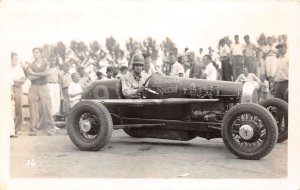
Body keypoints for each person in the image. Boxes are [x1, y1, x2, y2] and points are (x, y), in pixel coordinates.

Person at [26, 48, 56, 136]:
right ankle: (33, 129)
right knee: (33, 108)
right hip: (33, 87)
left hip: (44, 86)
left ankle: (51, 128)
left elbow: (47, 73)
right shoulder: (30, 65)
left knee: (47, 107)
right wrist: (42, 75)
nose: (35, 54)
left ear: (40, 54)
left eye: (36, 52)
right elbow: (30, 78)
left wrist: (34, 73)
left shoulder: (45, 63)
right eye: (33, 52)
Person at [11, 52, 26, 137]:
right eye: (14, 59)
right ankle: (10, 129)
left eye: (17, 59)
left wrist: (12, 81)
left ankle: (17, 129)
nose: (16, 61)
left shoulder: (19, 68)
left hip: (17, 90)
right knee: (8, 110)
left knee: (18, 109)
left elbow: (23, 81)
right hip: (8, 89)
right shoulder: (7, 68)